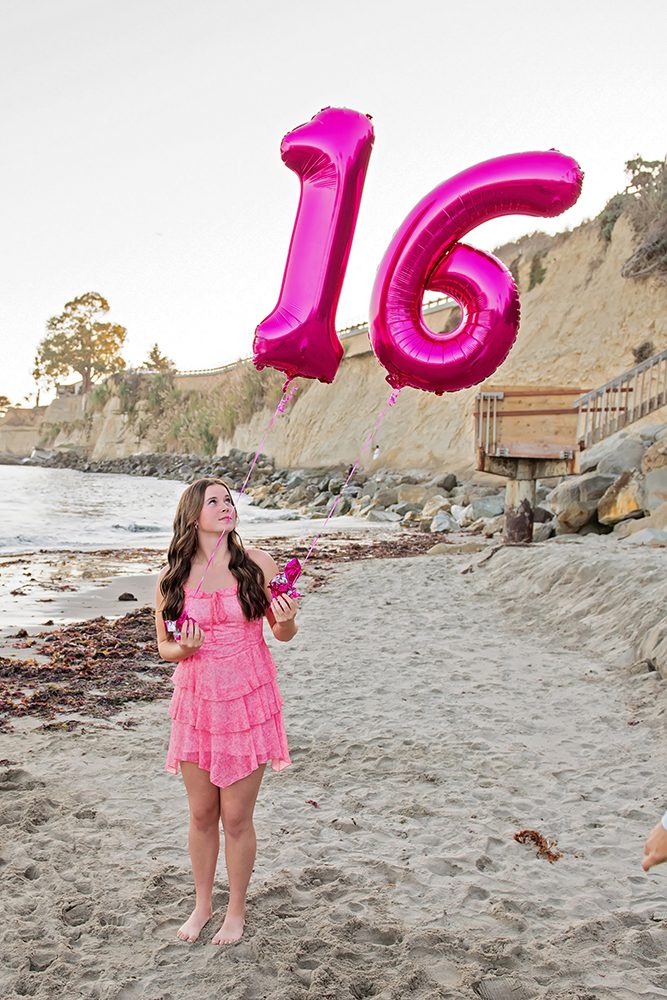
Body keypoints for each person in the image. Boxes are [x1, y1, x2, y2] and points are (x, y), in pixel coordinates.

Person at [154, 478, 298, 946]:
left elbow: (282, 633)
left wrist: (290, 617)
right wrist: (184, 648)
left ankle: (236, 909)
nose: (225, 506)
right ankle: (202, 905)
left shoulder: (258, 564)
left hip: (246, 701)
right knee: (200, 813)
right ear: (193, 514)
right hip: (197, 703)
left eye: (229, 500)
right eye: (213, 501)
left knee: (235, 817)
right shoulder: (172, 577)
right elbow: (164, 647)